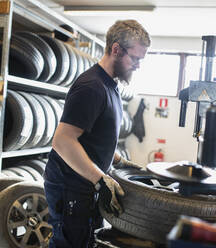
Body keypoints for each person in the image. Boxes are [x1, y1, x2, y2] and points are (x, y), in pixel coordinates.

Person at [44, 20, 151, 248]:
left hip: (86, 185)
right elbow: (63, 141)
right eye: (135, 58)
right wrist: (100, 179)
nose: (138, 66)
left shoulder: (110, 86)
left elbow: (93, 140)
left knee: (87, 241)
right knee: (69, 244)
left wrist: (120, 162)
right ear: (115, 49)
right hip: (70, 185)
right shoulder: (91, 87)